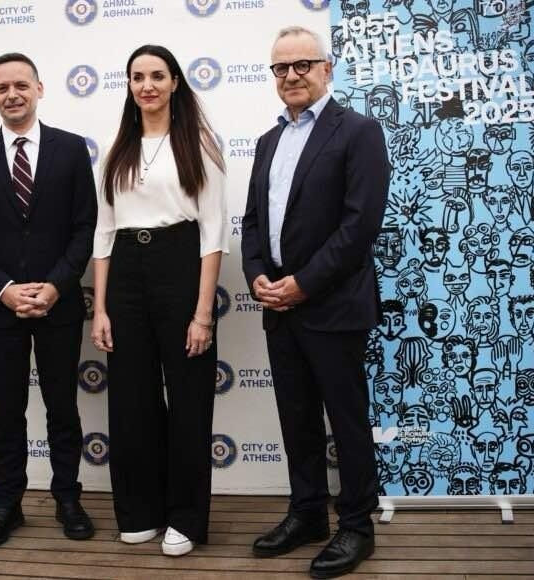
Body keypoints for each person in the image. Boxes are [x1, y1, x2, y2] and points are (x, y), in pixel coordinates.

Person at [241, 27, 390, 578]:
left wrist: (303, 283)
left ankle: (357, 525)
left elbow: (359, 225)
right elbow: (252, 223)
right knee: (296, 418)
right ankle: (307, 513)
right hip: (278, 308)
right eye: (280, 68)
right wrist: (257, 275)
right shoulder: (267, 141)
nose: (291, 76)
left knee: (346, 421)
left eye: (302, 64)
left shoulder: (359, 131)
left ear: (327, 68)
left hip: (333, 305)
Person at [0, 53, 98, 547]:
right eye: (1, 88)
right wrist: (5, 289)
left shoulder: (71, 149)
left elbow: (84, 228)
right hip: (0, 308)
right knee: (6, 411)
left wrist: (55, 286)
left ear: (39, 88)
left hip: (60, 305)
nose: (11, 94)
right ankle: (7, 505)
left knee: (62, 407)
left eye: (20, 85)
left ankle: (68, 499)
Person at [90, 44, 227, 557]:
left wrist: (202, 314)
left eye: (156, 75)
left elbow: (213, 231)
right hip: (125, 271)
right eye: (137, 77)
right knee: (131, 400)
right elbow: (104, 232)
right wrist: (101, 308)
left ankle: (185, 517)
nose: (146, 85)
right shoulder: (115, 147)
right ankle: (139, 511)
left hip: (180, 265)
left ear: (174, 83)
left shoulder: (200, 143)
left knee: (189, 399)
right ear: (129, 86)